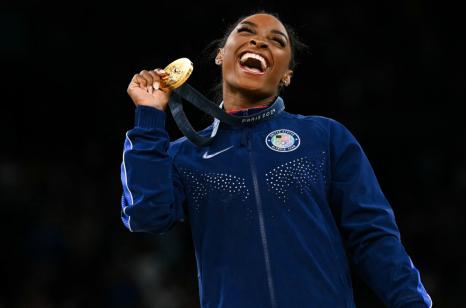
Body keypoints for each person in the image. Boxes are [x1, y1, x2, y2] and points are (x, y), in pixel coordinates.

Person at [120, 11, 432, 308]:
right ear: (220, 55)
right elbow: (146, 216)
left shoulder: (325, 137)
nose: (259, 42)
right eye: (246, 32)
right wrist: (148, 116)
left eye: (277, 41)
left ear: (287, 75)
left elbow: (374, 236)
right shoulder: (183, 155)